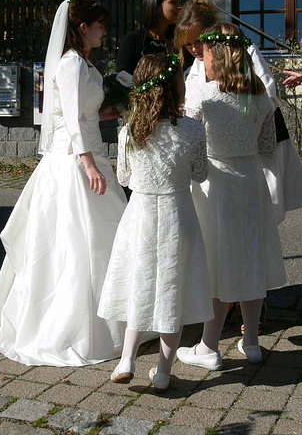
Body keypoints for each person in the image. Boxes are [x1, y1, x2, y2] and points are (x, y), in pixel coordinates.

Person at [0, 0, 128, 367]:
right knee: (72, 245)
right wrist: (89, 165)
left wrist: (116, 105)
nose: (104, 30)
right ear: (82, 28)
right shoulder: (71, 62)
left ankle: (115, 321)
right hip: (74, 162)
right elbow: (72, 120)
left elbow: (85, 113)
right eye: (99, 24)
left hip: (87, 154)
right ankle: (69, 328)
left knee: (99, 239)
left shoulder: (84, 63)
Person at [98, 53, 213, 392]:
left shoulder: (129, 131)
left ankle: (127, 359)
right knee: (171, 292)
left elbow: (124, 176)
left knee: (141, 284)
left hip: (141, 217)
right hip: (179, 216)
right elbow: (201, 174)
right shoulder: (192, 129)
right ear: (175, 88)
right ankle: (163, 371)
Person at [178, 23, 286, 370]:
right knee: (249, 258)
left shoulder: (203, 96)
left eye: (206, 52)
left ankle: (208, 346)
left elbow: (186, 142)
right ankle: (251, 342)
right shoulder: (260, 97)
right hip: (250, 182)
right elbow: (268, 146)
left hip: (215, 185)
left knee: (217, 263)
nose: (202, 59)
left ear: (219, 55)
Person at [175, 0, 302, 228]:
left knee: (258, 214)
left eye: (198, 42)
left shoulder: (244, 49)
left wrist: (230, 113)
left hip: (250, 147)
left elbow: (266, 94)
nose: (194, 49)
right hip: (214, 155)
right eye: (188, 45)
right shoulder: (196, 68)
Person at [115, 0, 183, 77]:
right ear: (157, 7)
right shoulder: (132, 41)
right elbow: (121, 81)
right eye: (173, 2)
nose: (180, 7)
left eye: (179, 2)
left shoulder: (179, 41)